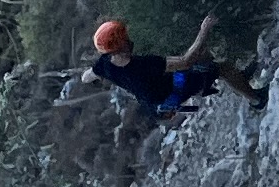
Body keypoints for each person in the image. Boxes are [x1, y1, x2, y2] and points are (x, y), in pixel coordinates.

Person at [87, 16, 257, 117]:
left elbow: (86, 77)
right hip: (171, 95)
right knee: (219, 68)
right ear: (121, 44)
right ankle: (256, 100)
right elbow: (185, 61)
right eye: (125, 37)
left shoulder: (104, 64)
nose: (128, 38)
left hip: (155, 104)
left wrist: (94, 78)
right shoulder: (144, 65)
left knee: (203, 57)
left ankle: (239, 80)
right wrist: (204, 30)